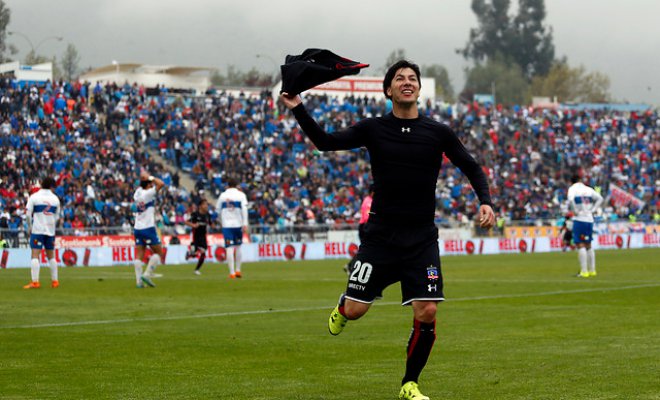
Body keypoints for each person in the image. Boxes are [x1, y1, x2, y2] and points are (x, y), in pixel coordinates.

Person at [281, 60, 495, 400]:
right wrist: (298, 108)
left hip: (422, 238)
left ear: (419, 89)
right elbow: (325, 142)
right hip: (380, 238)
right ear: (388, 90)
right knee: (356, 310)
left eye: (412, 78)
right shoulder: (373, 128)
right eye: (400, 78)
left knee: (427, 310)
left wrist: (485, 201)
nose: (407, 82)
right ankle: (342, 306)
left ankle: (410, 383)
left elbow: (472, 166)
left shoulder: (438, 132)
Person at [23, 177, 61, 289]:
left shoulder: (34, 197)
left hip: (38, 230)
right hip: (50, 231)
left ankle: (35, 282)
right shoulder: (55, 199)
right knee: (51, 256)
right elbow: (57, 217)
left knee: (35, 255)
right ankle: (55, 281)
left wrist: (29, 227)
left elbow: (27, 215)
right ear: (51, 187)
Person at [133, 170, 166, 288]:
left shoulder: (137, 192)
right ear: (147, 185)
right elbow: (161, 184)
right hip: (148, 227)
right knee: (159, 252)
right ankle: (147, 275)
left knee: (140, 253)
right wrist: (151, 177)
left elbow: (144, 185)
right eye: (150, 184)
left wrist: (144, 179)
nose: (152, 185)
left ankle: (138, 282)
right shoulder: (148, 194)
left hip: (137, 227)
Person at [567, 175, 604, 277]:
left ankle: (584, 271)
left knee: (580, 244)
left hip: (579, 219)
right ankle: (592, 270)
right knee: (588, 244)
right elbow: (600, 198)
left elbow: (570, 200)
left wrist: (575, 211)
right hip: (589, 219)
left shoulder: (573, 189)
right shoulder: (588, 189)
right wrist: (593, 210)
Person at [216, 178, 248, 279]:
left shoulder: (223, 195)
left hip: (227, 225)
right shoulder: (241, 195)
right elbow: (245, 209)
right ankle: (238, 270)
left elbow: (217, 210)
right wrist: (245, 223)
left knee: (229, 248)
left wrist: (221, 221)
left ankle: (232, 272)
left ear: (228, 185)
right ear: (237, 185)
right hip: (238, 224)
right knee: (238, 247)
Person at [343, 184, 374, 274]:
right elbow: (368, 216)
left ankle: (351, 266)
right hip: (365, 226)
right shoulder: (368, 202)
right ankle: (351, 266)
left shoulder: (368, 200)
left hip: (365, 226)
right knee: (366, 249)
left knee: (366, 249)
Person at [186, 199, 211, 275]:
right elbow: (186, 221)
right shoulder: (195, 214)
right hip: (195, 235)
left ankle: (196, 270)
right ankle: (190, 253)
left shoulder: (207, 214)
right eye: (204, 204)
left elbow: (210, 223)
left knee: (203, 252)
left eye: (207, 204)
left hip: (203, 236)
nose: (206, 206)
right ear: (200, 206)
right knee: (194, 252)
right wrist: (193, 225)